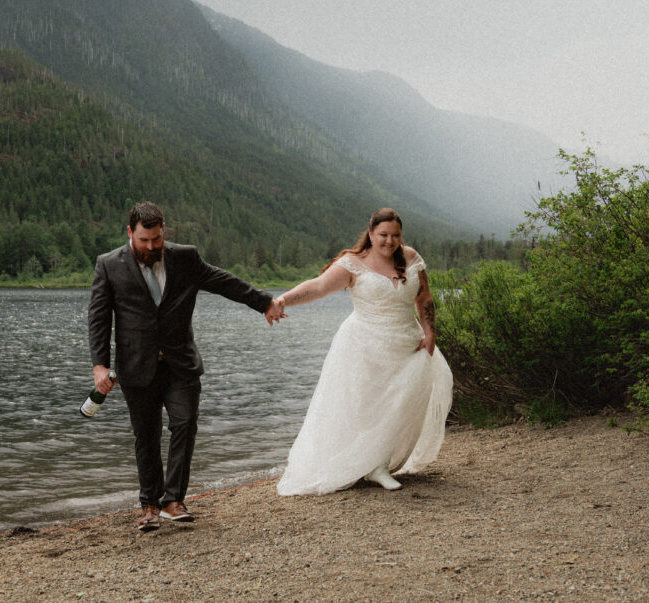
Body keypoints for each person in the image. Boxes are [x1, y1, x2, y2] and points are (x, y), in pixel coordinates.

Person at [89, 201, 285, 531]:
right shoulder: (109, 265)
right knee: (145, 436)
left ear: (164, 230)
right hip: (136, 367)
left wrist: (264, 302)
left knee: (185, 423)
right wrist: (99, 365)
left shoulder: (185, 257)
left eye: (156, 239)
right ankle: (149, 505)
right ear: (129, 233)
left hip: (180, 363)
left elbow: (225, 282)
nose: (150, 247)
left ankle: (173, 501)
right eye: (143, 241)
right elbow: (98, 317)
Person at [275, 207, 453, 495]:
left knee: (399, 402)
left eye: (395, 235)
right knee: (366, 404)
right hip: (365, 346)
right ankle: (372, 466)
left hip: (408, 342)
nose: (389, 241)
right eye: (383, 235)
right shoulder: (352, 264)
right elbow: (318, 287)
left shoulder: (410, 258)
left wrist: (430, 331)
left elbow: (425, 297)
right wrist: (282, 300)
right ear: (370, 234)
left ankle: (378, 463)